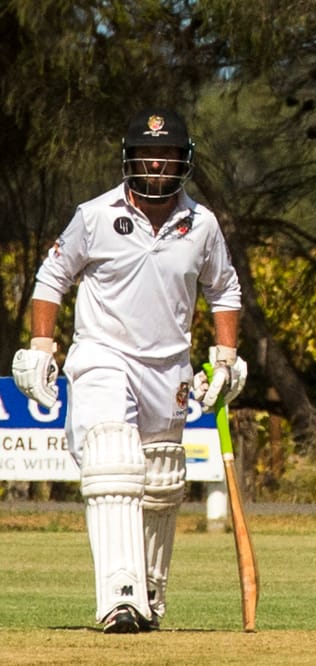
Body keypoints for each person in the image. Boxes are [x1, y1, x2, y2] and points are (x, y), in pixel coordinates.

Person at [11, 108, 246, 634]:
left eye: (166, 156)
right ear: (129, 160)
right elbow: (52, 277)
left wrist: (226, 359)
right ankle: (120, 596)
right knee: (112, 457)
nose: (156, 165)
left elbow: (224, 289)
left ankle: (150, 595)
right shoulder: (95, 215)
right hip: (103, 354)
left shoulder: (202, 225)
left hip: (169, 367)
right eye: (146, 155)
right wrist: (42, 346)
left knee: (160, 477)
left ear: (182, 161)